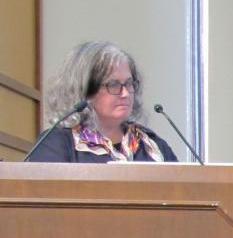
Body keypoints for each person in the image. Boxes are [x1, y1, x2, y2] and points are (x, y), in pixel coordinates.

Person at [27, 41, 177, 163]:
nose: (125, 93)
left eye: (129, 83)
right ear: (84, 91)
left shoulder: (152, 145)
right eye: (113, 85)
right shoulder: (57, 143)